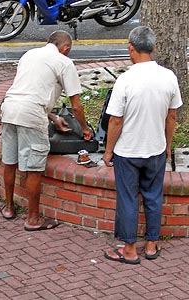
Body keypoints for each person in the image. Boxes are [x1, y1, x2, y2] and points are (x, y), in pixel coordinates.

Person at [103, 26, 182, 264]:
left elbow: (116, 120)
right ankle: (151, 244)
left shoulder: (125, 80)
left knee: (128, 199)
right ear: (154, 47)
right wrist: (167, 145)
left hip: (127, 152)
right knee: (153, 196)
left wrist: (108, 151)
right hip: (156, 149)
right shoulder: (169, 77)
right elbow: (172, 117)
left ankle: (128, 249)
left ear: (131, 48)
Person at [0, 30, 92, 231]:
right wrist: (84, 127)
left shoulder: (29, 54)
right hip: (31, 115)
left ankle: (8, 208)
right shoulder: (64, 62)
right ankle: (33, 219)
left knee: (9, 160)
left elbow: (28, 91)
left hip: (8, 108)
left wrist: (53, 118)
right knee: (34, 168)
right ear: (65, 48)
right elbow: (76, 105)